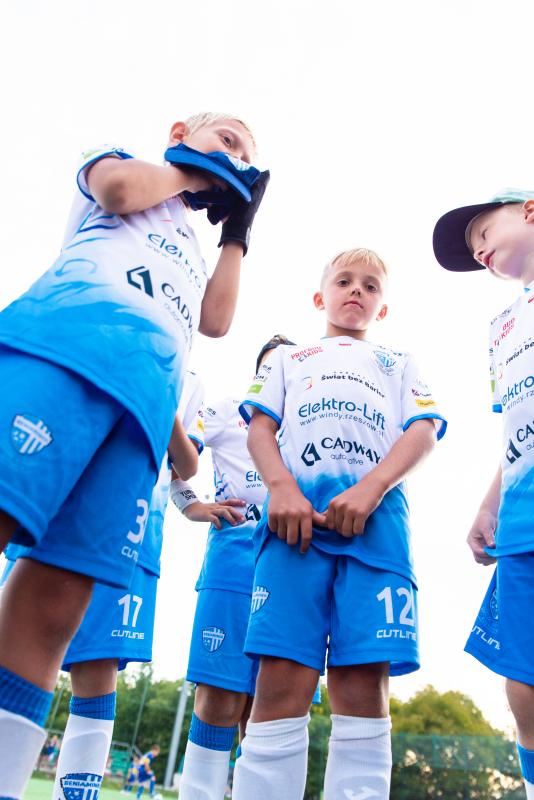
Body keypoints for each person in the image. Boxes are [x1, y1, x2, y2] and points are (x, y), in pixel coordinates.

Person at [0, 111, 268, 798]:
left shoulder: (196, 246)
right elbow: (118, 190)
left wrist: (237, 232)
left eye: (245, 155)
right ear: (180, 132)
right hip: (64, 349)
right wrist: (195, 171)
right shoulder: (121, 163)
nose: (236, 157)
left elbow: (215, 321)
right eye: (227, 139)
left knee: (57, 602)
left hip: (140, 413)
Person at [232, 248, 446, 800]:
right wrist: (282, 488)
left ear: (383, 307)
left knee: (362, 683)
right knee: (280, 681)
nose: (357, 291)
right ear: (319, 296)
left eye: (371, 286)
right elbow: (259, 429)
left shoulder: (399, 363)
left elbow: (422, 432)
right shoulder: (287, 359)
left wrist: (372, 488)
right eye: (345, 281)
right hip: (294, 534)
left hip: (377, 535)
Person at [0, 370, 203, 799]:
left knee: (97, 666)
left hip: (134, 524)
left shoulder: (189, 378)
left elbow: (186, 467)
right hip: (59, 491)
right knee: (19, 636)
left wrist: (162, 392)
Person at [433, 190, 534, 800]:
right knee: (523, 681)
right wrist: (488, 504)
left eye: (483, 233)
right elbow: (516, 427)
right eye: (473, 251)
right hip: (523, 517)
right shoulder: (501, 328)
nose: (479, 252)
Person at [173, 336, 296, 800]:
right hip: (233, 560)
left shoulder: (310, 423)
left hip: (293, 565)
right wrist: (191, 505)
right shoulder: (226, 411)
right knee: (220, 698)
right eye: (269, 368)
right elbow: (176, 461)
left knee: (272, 708)